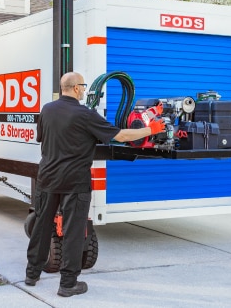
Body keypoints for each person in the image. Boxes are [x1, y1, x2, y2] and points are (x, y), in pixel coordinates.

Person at [25, 71, 165, 297]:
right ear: (77, 88)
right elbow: (120, 136)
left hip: (47, 178)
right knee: (72, 231)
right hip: (74, 182)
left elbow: (41, 137)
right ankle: (68, 284)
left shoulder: (47, 110)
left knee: (42, 225)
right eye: (83, 86)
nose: (84, 89)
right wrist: (151, 130)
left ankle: (32, 274)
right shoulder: (85, 115)